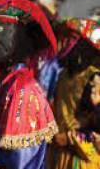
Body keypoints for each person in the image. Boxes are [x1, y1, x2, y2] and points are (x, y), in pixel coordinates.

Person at [0, 0, 59, 169]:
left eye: (2, 31)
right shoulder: (9, 81)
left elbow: (20, 161)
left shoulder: (22, 87)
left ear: (19, 39)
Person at [48, 18, 100, 169]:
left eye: (71, 39)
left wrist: (71, 138)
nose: (64, 43)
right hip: (60, 155)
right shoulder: (63, 74)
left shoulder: (94, 78)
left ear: (85, 46)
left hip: (84, 158)